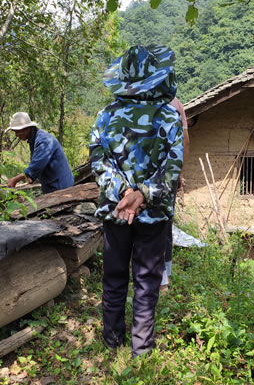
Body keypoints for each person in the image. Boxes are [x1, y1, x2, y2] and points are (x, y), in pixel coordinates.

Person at [89, 45, 184, 358]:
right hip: (154, 216)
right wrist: (142, 195)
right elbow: (172, 169)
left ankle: (111, 343)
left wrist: (122, 194)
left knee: (114, 278)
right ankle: (141, 351)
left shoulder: (105, 116)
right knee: (146, 283)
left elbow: (98, 161)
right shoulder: (168, 116)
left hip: (115, 213)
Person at [160, 97, 190, 293]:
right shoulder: (175, 103)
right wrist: (179, 173)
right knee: (165, 223)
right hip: (167, 175)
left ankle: (159, 280)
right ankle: (165, 279)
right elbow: (185, 141)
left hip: (139, 177)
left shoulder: (134, 95)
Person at [5, 112, 74, 193]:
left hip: (60, 186)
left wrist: (15, 180)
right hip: (51, 185)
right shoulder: (34, 139)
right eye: (15, 132)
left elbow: (36, 165)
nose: (16, 135)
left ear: (27, 128)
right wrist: (32, 177)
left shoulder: (44, 141)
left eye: (18, 131)